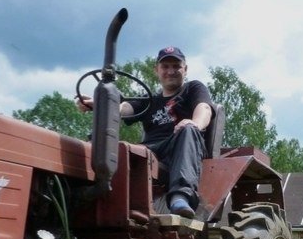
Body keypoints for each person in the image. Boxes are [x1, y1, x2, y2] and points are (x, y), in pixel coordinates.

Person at [78, 46, 215, 219]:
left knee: (188, 128)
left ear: (185, 69)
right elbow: (125, 108)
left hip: (179, 146)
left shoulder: (192, 88)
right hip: (151, 150)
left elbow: (204, 109)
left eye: (176, 66)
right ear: (156, 70)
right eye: (165, 67)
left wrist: (195, 123)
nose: (171, 71)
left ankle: (180, 197)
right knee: (114, 147)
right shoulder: (149, 99)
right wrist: (103, 104)